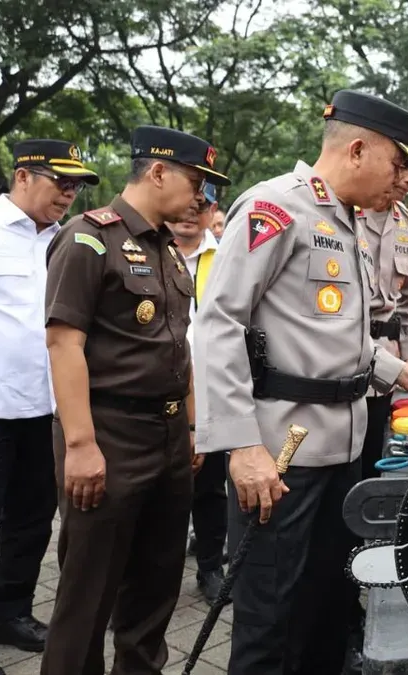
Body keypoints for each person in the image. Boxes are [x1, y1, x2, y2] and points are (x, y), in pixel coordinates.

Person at [193, 90, 408, 675]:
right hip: (281, 456)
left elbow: (331, 334)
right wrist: (241, 446)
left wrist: (397, 370)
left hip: (345, 448)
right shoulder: (275, 208)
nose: (405, 181)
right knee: (271, 617)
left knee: (329, 606)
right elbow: (219, 323)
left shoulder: (351, 220)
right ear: (358, 150)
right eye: (399, 165)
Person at [40, 126, 226, 675]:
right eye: (195, 182)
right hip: (108, 435)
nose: (202, 198)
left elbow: (177, 345)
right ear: (158, 172)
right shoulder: (87, 239)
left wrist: (189, 428)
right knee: (87, 595)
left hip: (167, 437)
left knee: (155, 588)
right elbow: (63, 344)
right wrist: (80, 445)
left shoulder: (167, 248)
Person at [0, 140, 99, 674]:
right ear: (23, 177)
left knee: (32, 519)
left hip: (46, 408)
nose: (69, 194)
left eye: (76, 186)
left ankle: (11, 612)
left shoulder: (66, 240)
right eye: (61, 182)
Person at [167, 181, 226, 604]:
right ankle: (153, 580)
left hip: (212, 391)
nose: (192, 211)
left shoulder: (226, 257)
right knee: (157, 492)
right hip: (160, 393)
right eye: (188, 202)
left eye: (202, 205)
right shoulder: (144, 250)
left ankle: (210, 569)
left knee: (210, 489)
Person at [360, 139, 408, 482]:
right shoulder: (343, 213)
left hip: (384, 373)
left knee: (371, 463)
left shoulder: (406, 224)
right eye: (402, 167)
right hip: (337, 366)